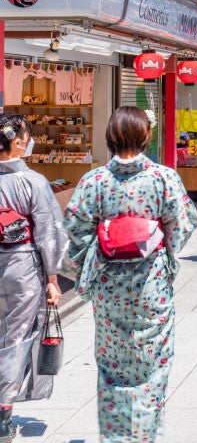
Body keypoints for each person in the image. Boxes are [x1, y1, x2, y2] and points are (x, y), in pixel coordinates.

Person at [65, 107, 197, 443]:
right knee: (152, 366)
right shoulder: (164, 178)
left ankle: (115, 437)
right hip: (151, 284)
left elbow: (76, 230)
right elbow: (182, 225)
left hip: (109, 287)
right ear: (146, 136)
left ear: (110, 137)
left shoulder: (94, 181)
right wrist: (164, 253)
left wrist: (92, 261)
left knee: (111, 367)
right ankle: (143, 434)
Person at [0, 114, 68, 443]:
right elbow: (48, 233)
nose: (31, 141)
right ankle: (3, 412)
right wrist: (52, 277)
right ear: (16, 142)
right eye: (28, 136)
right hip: (21, 264)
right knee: (16, 337)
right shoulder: (33, 181)